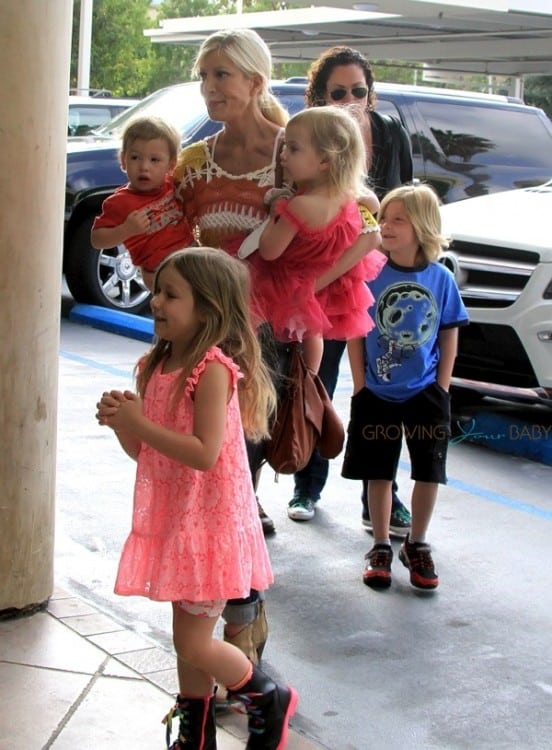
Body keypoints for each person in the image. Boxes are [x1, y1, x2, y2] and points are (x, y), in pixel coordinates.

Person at [172, 29, 380, 666]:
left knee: (234, 479)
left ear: (256, 81)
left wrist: (311, 310)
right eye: (204, 75)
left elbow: (365, 218)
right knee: (213, 482)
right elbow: (169, 238)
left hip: (273, 346)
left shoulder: (299, 147)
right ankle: (234, 628)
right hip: (207, 343)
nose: (209, 88)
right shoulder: (193, 162)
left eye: (221, 75)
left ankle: (240, 631)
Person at [95, 247, 298, 749]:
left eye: (171, 294)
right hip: (176, 520)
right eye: (157, 291)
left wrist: (139, 422)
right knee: (186, 642)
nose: (157, 301)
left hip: (209, 524)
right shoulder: (155, 364)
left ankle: (266, 694)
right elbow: (148, 454)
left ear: (207, 308)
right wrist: (125, 425)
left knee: (192, 640)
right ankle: (198, 730)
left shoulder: (212, 370)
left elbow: (205, 453)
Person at [290, 45, 415, 529]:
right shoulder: (308, 137)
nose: (349, 100)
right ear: (318, 96)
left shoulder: (388, 132)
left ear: (372, 95)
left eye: (359, 91)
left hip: (378, 280)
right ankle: (306, 485)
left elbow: (401, 203)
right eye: (337, 92)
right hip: (324, 281)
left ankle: (381, 498)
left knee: (381, 391)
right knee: (318, 383)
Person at [342, 184, 469, 590]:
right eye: (385, 218)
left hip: (426, 392)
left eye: (399, 219)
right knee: (378, 470)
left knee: (429, 470)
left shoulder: (441, 277)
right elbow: (356, 331)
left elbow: (449, 333)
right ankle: (380, 544)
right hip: (376, 392)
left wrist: (442, 386)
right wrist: (361, 384)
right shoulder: (371, 270)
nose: (387, 226)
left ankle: (417, 542)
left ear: (423, 227)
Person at [254, 105, 383, 372]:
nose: (283, 154)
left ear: (325, 160)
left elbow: (269, 250)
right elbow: (372, 204)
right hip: (319, 287)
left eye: (293, 148)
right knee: (311, 331)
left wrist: (274, 212)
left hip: (285, 283)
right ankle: (310, 377)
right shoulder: (348, 198)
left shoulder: (300, 206)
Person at [91, 116, 192, 291]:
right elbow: (97, 239)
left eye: (154, 160)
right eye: (135, 157)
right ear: (123, 160)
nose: (144, 166)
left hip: (191, 259)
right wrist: (125, 230)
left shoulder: (173, 185)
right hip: (158, 272)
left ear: (171, 164)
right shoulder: (119, 202)